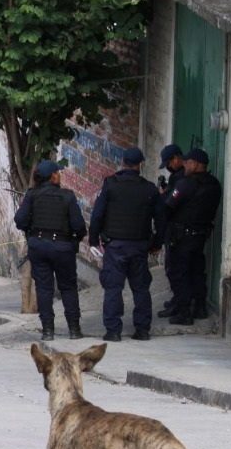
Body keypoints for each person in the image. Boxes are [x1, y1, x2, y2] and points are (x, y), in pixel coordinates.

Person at [88, 147, 164, 342]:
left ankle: (113, 331)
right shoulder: (149, 189)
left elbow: (97, 215)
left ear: (123, 163)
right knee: (141, 288)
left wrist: (93, 240)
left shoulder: (110, 185)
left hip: (115, 247)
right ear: (140, 164)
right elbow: (161, 220)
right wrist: (157, 243)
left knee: (113, 288)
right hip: (139, 247)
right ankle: (142, 330)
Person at [13, 160, 87, 341]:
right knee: (68, 288)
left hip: (39, 246)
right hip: (63, 247)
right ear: (52, 176)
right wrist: (74, 240)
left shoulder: (32, 195)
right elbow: (79, 226)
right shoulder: (67, 196)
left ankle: (48, 331)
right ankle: (74, 330)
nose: (59, 175)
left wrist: (31, 232)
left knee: (44, 288)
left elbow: (20, 220)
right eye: (58, 173)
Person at [163, 148, 223, 325]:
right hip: (200, 235)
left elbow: (169, 206)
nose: (185, 166)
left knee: (179, 272)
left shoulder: (186, 184)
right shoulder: (214, 184)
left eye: (188, 162)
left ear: (196, 164)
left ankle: (184, 312)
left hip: (182, 236)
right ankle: (200, 307)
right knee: (196, 271)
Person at [156, 143, 186, 318]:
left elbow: (170, 204)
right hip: (178, 230)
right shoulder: (177, 177)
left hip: (177, 231)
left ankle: (180, 306)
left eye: (169, 163)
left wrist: (162, 196)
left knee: (175, 269)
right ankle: (178, 301)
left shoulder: (181, 178)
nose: (168, 166)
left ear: (176, 159)